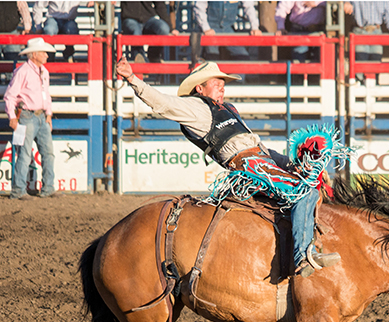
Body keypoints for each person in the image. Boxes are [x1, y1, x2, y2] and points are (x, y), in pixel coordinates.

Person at [115, 57, 344, 277]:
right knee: (304, 191)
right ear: (200, 89)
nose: (222, 88)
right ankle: (302, 256)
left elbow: (260, 148)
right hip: (248, 167)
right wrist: (133, 78)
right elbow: (163, 103)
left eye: (223, 84)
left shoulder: (229, 110)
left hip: (261, 161)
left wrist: (290, 163)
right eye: (216, 84)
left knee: (311, 182)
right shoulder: (196, 108)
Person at [3, 37, 58, 200]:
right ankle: (19, 189)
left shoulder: (43, 72)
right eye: (43, 52)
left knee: (47, 153)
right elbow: (10, 96)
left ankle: (48, 187)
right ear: (34, 54)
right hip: (27, 115)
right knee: (26, 153)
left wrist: (48, 114)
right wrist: (12, 117)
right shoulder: (23, 71)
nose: (46, 56)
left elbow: (46, 95)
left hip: (40, 115)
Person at [194, 1, 261, 63]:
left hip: (228, 28)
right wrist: (206, 28)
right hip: (211, 28)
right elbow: (200, 8)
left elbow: (249, 7)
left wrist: (255, 27)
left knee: (242, 56)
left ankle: (236, 76)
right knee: (212, 56)